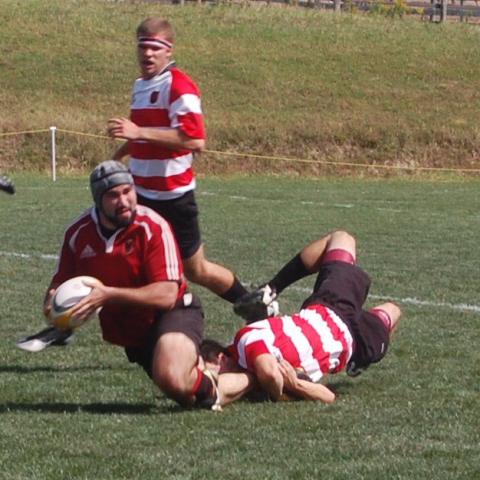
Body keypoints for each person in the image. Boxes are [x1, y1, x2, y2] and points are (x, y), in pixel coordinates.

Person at [18, 161, 219, 408]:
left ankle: (223, 386)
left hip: (174, 312)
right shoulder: (78, 234)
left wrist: (108, 295)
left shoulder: (152, 227)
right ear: (98, 199)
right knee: (184, 395)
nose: (124, 201)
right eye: (113, 195)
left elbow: (167, 294)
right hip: (134, 333)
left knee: (173, 377)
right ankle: (217, 371)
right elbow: (59, 285)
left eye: (128, 192)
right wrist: (55, 309)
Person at [107, 17, 254, 307]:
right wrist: (121, 153)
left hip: (173, 197)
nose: (147, 54)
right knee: (126, 257)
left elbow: (195, 140)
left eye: (155, 48)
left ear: (168, 51)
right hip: (140, 194)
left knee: (195, 269)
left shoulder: (179, 86)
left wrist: (137, 132)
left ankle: (251, 302)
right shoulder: (140, 85)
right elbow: (147, 130)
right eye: (142, 47)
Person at [201, 230, 401, 408]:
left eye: (209, 373)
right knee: (392, 310)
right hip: (354, 341)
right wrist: (294, 385)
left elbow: (269, 372)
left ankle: (272, 288)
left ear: (220, 357)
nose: (209, 379)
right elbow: (328, 397)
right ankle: (359, 360)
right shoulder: (256, 378)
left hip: (327, 305)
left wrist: (280, 391)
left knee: (341, 239)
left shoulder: (245, 341)